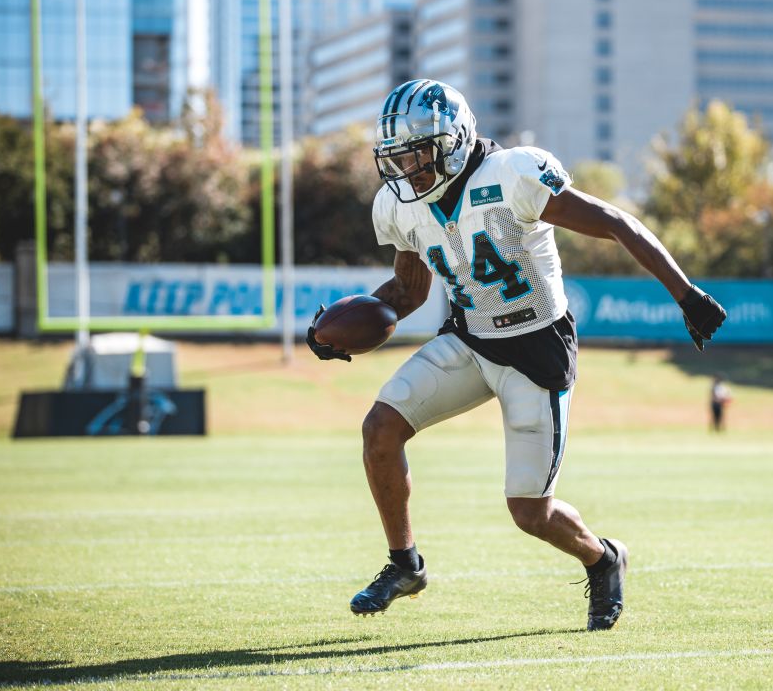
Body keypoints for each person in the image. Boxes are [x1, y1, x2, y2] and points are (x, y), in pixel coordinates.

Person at [306, 80, 726, 631]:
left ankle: (603, 558)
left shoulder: (514, 175)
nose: (406, 169)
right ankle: (404, 565)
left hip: (536, 349)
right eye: (398, 157)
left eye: (416, 154)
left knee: (530, 513)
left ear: (453, 142)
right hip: (470, 338)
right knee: (379, 429)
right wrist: (332, 330)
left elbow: (616, 224)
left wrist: (686, 294)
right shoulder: (401, 207)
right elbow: (407, 293)